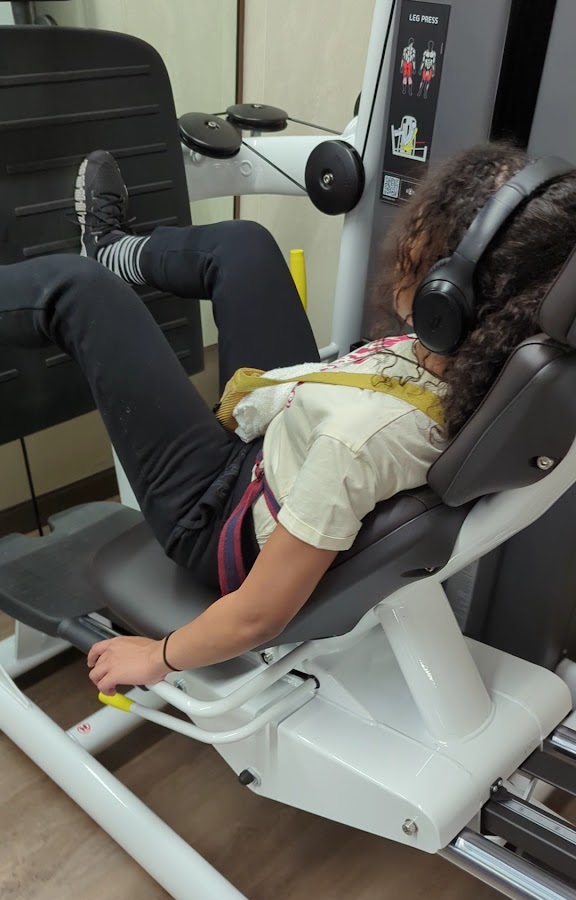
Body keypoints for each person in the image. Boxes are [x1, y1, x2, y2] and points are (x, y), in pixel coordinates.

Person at [2, 143, 575, 694]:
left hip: (213, 514)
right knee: (243, 246)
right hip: (279, 445)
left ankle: (86, 271)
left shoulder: (357, 443)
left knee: (79, 292)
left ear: (449, 297)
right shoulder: (485, 362)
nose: (402, 246)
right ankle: (108, 248)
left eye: (419, 246)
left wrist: (157, 656)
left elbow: (259, 614)